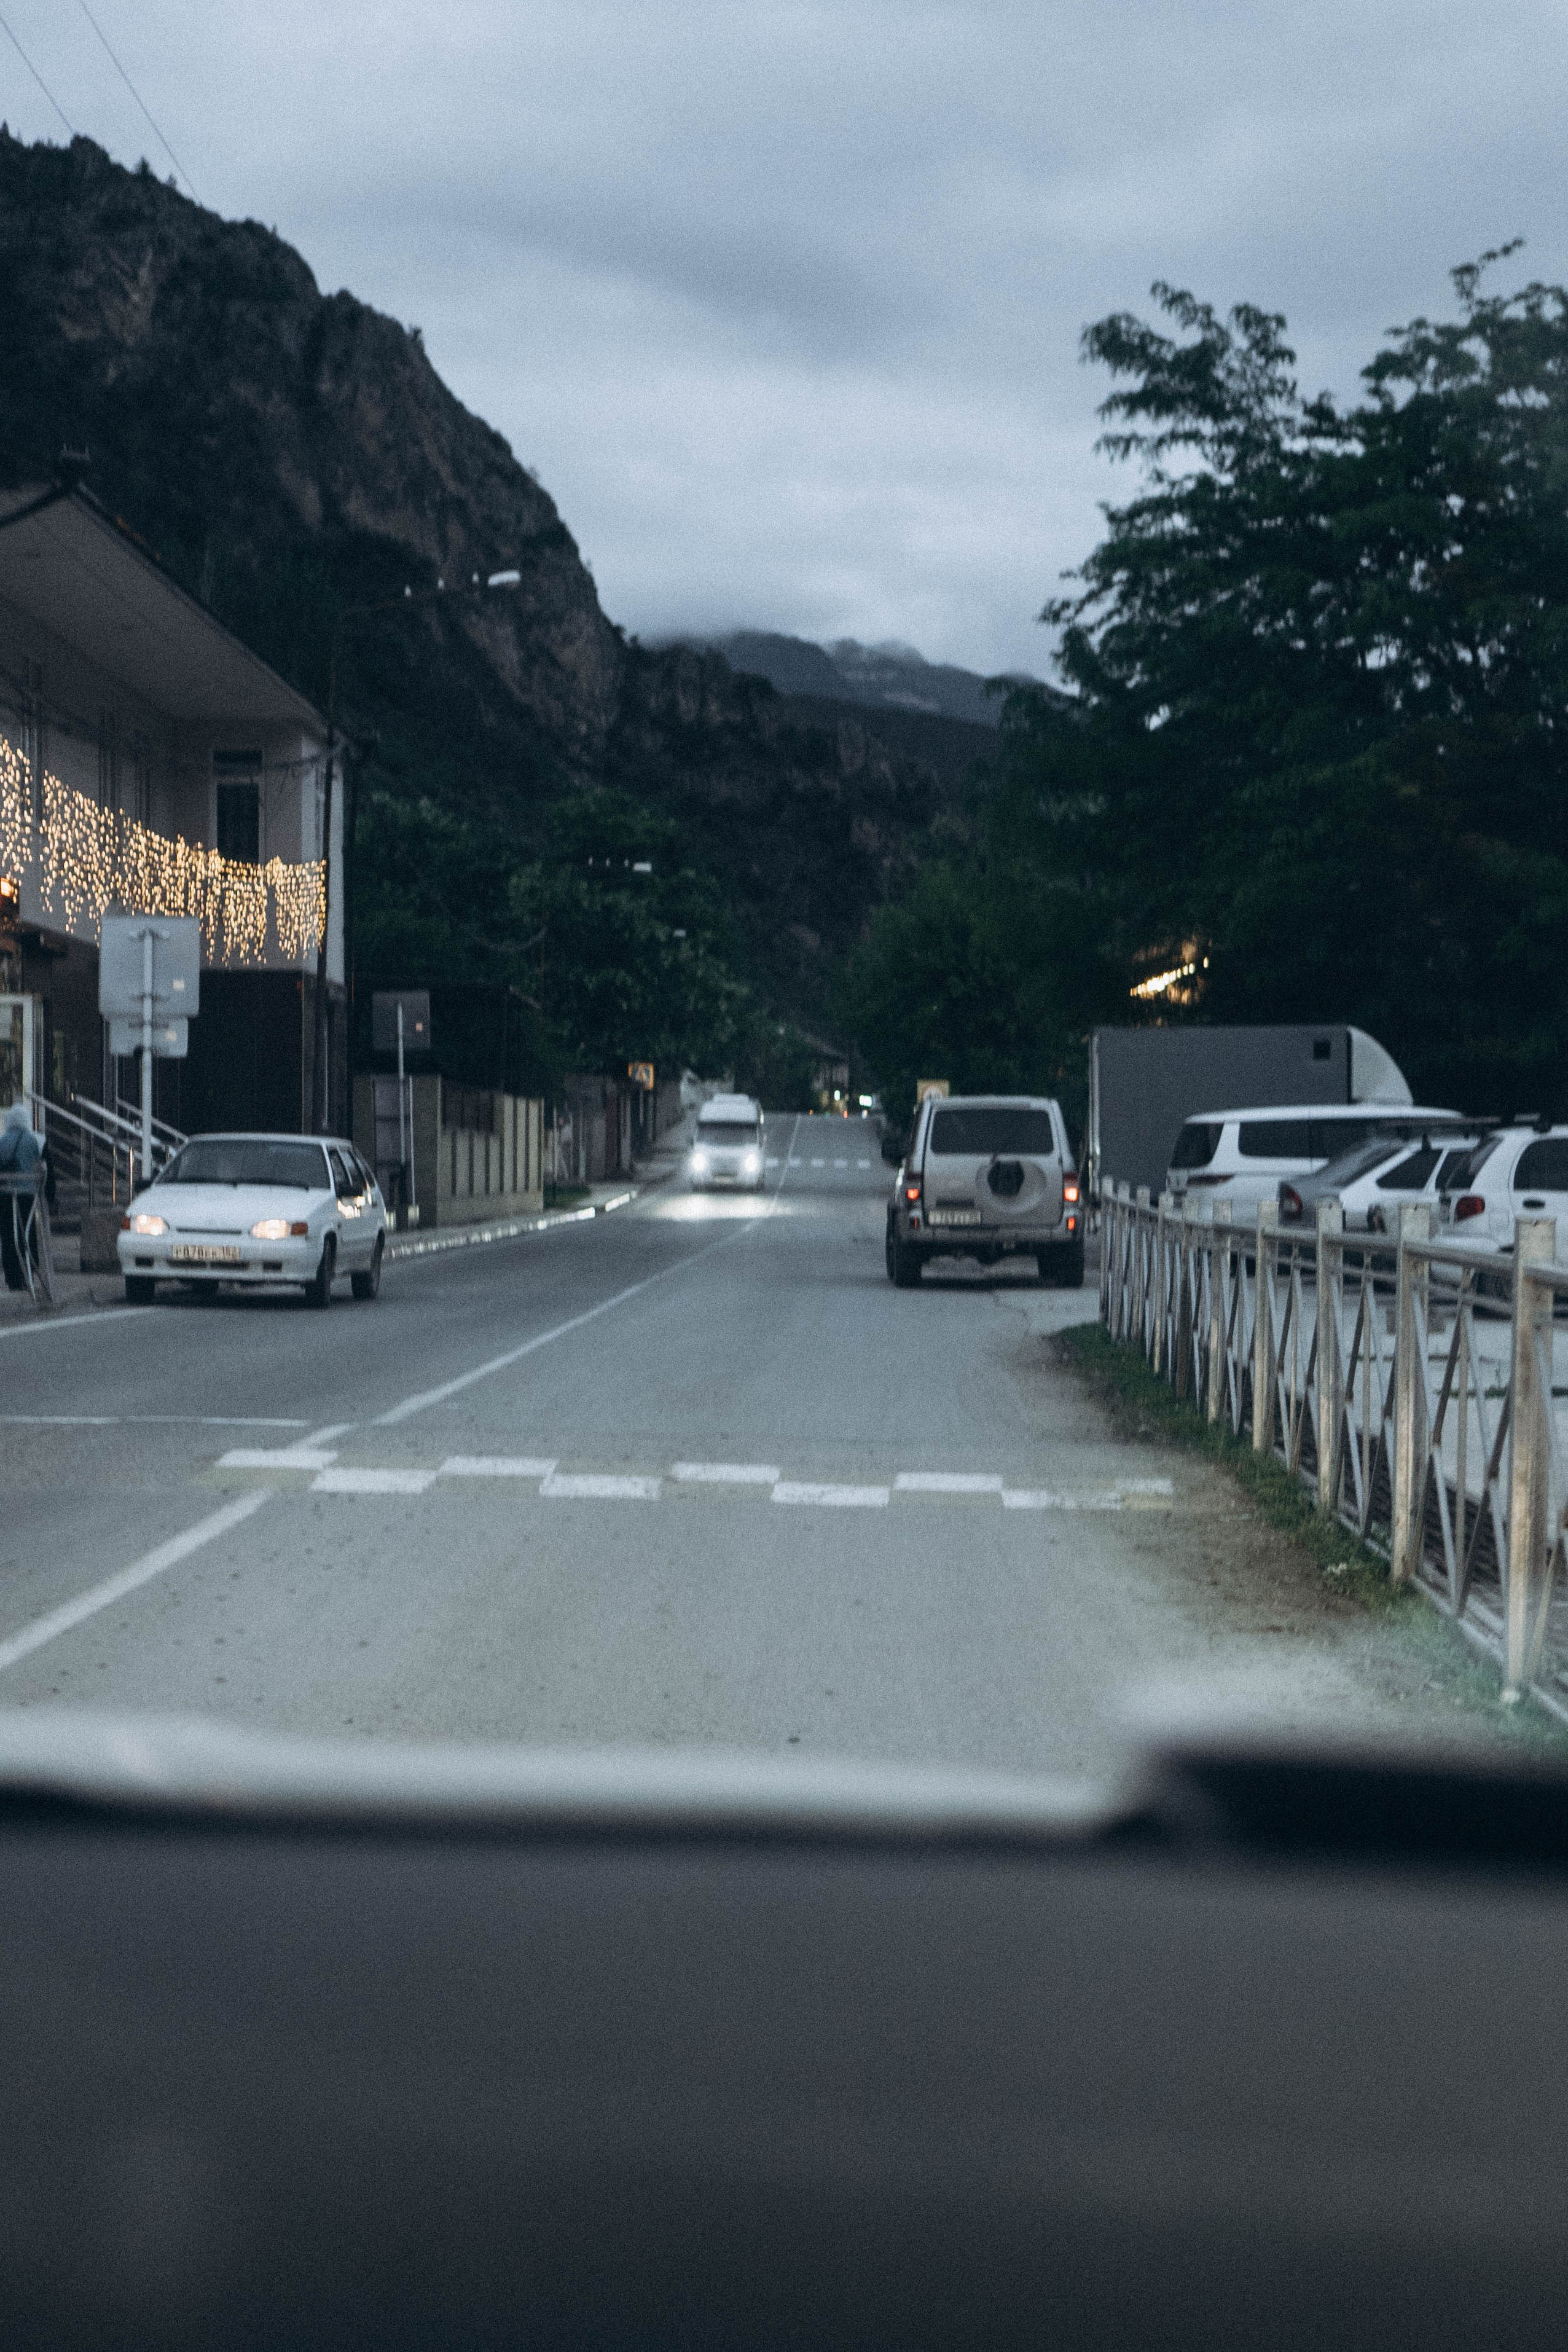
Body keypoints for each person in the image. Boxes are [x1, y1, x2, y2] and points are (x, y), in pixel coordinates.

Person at [0, 1099, 44, 1291]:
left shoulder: (3, 1141)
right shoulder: (32, 1140)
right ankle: (29, 1274)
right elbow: (37, 1166)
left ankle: (13, 1278)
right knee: (28, 1234)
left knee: (9, 1236)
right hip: (28, 1195)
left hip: (7, 1194)